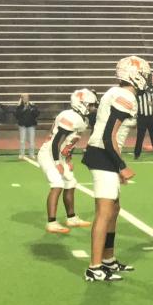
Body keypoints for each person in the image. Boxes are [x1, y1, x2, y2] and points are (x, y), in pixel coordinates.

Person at [82, 56, 151, 281]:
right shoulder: (124, 96)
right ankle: (94, 267)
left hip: (105, 153)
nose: (147, 78)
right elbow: (108, 135)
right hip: (103, 154)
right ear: (135, 75)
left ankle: (108, 260)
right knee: (104, 212)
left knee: (114, 208)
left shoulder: (115, 92)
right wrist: (121, 166)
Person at [38, 88, 97, 234]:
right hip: (49, 154)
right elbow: (56, 142)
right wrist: (58, 163)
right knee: (57, 184)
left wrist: (67, 159)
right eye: (90, 105)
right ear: (81, 104)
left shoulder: (82, 119)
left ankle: (71, 218)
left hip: (60, 154)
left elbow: (70, 142)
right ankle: (51, 222)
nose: (93, 108)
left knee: (71, 182)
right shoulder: (70, 117)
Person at [132, 81, 153, 159]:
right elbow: (134, 107)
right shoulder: (138, 96)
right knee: (140, 137)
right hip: (142, 118)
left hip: (151, 117)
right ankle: (137, 154)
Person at [14, 94, 39, 161]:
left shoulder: (32, 105)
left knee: (32, 141)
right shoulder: (19, 106)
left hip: (31, 125)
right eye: (24, 97)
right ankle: (22, 154)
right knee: (22, 141)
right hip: (22, 126)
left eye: (27, 97)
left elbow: (37, 114)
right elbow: (16, 115)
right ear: (22, 98)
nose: (25, 98)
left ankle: (32, 154)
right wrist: (23, 110)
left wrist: (32, 110)